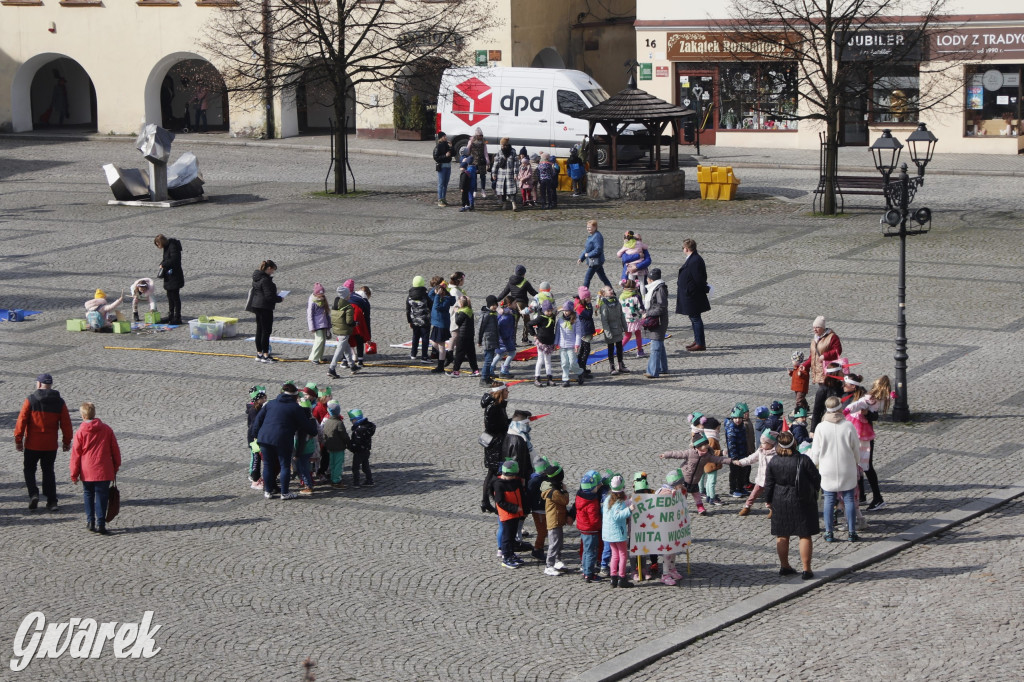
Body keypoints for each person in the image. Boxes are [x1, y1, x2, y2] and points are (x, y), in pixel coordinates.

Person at [764, 431, 820, 579]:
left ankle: (784, 566)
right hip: (802, 499)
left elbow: (768, 484)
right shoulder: (803, 459)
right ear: (794, 443)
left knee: (782, 534)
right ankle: (806, 569)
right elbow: (816, 478)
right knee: (804, 534)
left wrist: (768, 501)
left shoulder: (774, 461)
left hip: (780, 499)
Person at [14, 373, 73, 511]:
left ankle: (33, 493)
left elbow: (21, 421)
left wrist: (18, 440)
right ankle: (52, 501)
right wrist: (66, 441)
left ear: (39, 384)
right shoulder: (59, 402)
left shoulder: (31, 400)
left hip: (32, 444)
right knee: (48, 471)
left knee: (29, 469)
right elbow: (66, 424)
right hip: (50, 445)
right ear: (50, 385)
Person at [249, 383, 318, 500]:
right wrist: (313, 428)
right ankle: (285, 493)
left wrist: (256, 435)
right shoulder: (296, 408)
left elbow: (257, 421)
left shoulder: (270, 403)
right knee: (285, 465)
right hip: (283, 440)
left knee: (268, 465)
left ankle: (268, 491)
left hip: (265, 439)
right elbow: (307, 427)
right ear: (295, 396)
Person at [810, 396, 861, 542]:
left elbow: (816, 452)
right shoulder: (848, 426)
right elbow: (856, 449)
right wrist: (856, 462)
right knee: (849, 498)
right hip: (847, 466)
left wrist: (815, 465)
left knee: (829, 499)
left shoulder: (820, 427)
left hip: (827, 468)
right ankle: (852, 532)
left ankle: (829, 532)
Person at [69, 402, 121, 535]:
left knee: (88, 494)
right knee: (102, 496)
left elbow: (76, 454)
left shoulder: (81, 432)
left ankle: (90, 521)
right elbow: (115, 449)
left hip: (87, 470)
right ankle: (101, 524)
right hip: (103, 469)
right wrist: (116, 465)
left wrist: (74, 473)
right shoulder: (107, 429)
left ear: (82, 415)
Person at [846, 375, 892, 510]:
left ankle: (878, 498)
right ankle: (861, 496)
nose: (843, 385)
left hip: (863, 435)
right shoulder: (844, 393)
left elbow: (873, 415)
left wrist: (865, 413)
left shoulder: (867, 398)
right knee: (857, 464)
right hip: (854, 433)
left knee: (866, 466)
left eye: (846, 384)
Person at [659, 433, 732, 516]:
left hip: (695, 480)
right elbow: (678, 454)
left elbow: (718, 459)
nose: (706, 446)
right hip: (684, 479)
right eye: (704, 444)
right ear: (698, 446)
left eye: (706, 444)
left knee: (696, 495)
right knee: (683, 494)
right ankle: (680, 507)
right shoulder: (690, 453)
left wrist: (731, 461)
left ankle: (700, 508)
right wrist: (666, 455)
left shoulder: (707, 456)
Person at [801, 316, 843, 433]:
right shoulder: (815, 339)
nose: (814, 329)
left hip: (829, 372)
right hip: (818, 372)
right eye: (814, 327)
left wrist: (826, 356)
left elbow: (837, 351)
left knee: (829, 392)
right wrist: (805, 365)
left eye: (817, 327)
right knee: (822, 393)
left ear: (823, 327)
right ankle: (823, 413)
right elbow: (812, 356)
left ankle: (828, 412)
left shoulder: (832, 337)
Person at [480, 384, 511, 513]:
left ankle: (486, 501)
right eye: (506, 391)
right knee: (493, 472)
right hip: (495, 444)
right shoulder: (494, 407)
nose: (508, 392)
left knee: (492, 473)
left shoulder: (498, 405)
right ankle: (488, 500)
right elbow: (494, 426)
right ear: (500, 392)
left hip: (497, 441)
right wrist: (511, 422)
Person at [675, 238, 710, 352]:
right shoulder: (693, 258)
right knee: (693, 318)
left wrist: (696, 289)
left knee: (695, 318)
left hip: (693, 295)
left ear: (686, 248)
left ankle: (700, 343)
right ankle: (697, 340)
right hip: (690, 294)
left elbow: (699, 279)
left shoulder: (695, 260)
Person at [734, 429, 778, 517]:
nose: (761, 445)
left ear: (771, 443)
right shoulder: (761, 451)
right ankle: (747, 506)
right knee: (753, 494)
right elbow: (751, 458)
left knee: (770, 496)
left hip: (771, 481)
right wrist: (741, 462)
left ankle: (771, 509)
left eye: (764, 443)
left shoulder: (776, 454)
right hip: (761, 479)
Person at [602, 475, 635, 588]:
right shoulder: (619, 502)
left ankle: (613, 578)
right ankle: (622, 578)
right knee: (623, 555)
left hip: (608, 533)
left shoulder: (607, 499)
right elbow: (617, 516)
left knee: (615, 555)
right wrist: (629, 510)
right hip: (618, 533)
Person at [247, 260, 282, 364]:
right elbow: (269, 296)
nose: (273, 272)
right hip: (265, 307)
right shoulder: (266, 280)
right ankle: (266, 355)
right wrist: (279, 298)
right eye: (273, 270)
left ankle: (259, 353)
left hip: (257, 306)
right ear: (269, 268)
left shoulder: (257, 277)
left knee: (259, 330)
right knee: (266, 331)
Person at [494, 460, 526, 569]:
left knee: (512, 536)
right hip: (507, 515)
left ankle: (511, 554)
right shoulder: (498, 485)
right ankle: (506, 557)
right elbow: (500, 502)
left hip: (516, 514)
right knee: (507, 537)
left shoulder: (515, 481)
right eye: (512, 476)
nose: (513, 478)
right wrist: (514, 508)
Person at [540, 462, 570, 575]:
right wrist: (566, 491)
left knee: (559, 542)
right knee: (554, 543)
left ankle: (557, 561)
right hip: (554, 521)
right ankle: (549, 565)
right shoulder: (553, 492)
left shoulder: (554, 489)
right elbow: (565, 500)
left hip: (558, 519)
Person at [495, 265, 538, 343]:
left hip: (513, 305)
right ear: (523, 274)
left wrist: (496, 300)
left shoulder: (510, 282)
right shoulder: (525, 282)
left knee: (514, 323)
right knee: (527, 322)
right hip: (522, 304)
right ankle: (525, 338)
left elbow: (504, 292)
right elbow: (533, 292)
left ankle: (513, 341)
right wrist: (542, 296)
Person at [575, 470, 603, 582]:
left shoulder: (580, 498)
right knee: (591, 552)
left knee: (586, 551)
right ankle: (589, 574)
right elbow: (594, 520)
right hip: (591, 531)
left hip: (583, 529)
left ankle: (585, 570)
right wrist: (600, 526)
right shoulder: (591, 503)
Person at [642, 268, 669, 379]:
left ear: (651, 280)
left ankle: (653, 371)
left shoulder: (659, 289)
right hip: (657, 320)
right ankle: (663, 368)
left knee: (655, 346)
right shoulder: (656, 287)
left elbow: (661, 307)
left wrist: (647, 314)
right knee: (659, 344)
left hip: (658, 321)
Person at [327, 286, 359, 378]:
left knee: (346, 347)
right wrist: (355, 323)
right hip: (344, 330)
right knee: (339, 350)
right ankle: (331, 368)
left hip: (337, 329)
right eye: (348, 294)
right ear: (346, 296)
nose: (350, 295)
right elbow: (349, 322)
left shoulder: (336, 303)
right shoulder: (348, 307)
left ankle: (352, 366)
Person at [427, 276, 456, 373]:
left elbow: (437, 307)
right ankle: (447, 356)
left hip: (442, 324)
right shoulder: (438, 297)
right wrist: (439, 286)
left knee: (441, 346)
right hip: (437, 323)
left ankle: (440, 366)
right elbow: (429, 295)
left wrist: (438, 296)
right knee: (434, 342)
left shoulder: (446, 299)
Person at [597, 285, 628, 375]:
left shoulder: (616, 301)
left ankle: (621, 365)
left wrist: (625, 327)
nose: (612, 290)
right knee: (610, 349)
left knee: (619, 348)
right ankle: (612, 367)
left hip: (618, 329)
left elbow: (621, 315)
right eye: (609, 290)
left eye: (611, 289)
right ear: (604, 294)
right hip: (610, 331)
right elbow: (604, 321)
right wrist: (607, 332)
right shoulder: (604, 305)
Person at [154, 234, 184, 325]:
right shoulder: (167, 247)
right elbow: (166, 258)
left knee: (175, 297)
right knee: (170, 297)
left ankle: (177, 317)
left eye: (158, 244)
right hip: (169, 276)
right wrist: (162, 263)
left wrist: (164, 264)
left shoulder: (172, 246)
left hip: (175, 276)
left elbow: (175, 259)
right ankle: (171, 315)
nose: (158, 247)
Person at [554, 300, 584, 388]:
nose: (565, 312)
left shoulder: (576, 320)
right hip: (562, 345)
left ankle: (580, 372)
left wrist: (577, 344)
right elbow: (557, 333)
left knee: (572, 363)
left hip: (571, 345)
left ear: (571, 311)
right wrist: (556, 343)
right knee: (564, 363)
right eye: (564, 311)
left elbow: (578, 333)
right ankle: (565, 379)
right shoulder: (560, 320)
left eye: (567, 311)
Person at [321, 400, 349, 489]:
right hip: (338, 447)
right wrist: (348, 442)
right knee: (338, 464)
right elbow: (344, 435)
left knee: (332, 463)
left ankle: (333, 477)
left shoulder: (327, 421)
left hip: (329, 446)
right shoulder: (339, 423)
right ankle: (336, 481)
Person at [529, 300, 557, 387]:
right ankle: (537, 378)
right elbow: (529, 324)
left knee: (548, 361)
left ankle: (549, 378)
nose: (549, 312)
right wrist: (534, 335)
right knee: (540, 360)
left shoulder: (552, 317)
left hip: (549, 342)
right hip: (541, 342)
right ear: (544, 310)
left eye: (550, 310)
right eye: (547, 311)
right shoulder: (540, 317)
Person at [450, 295, 479, 378]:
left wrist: (456, 312)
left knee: (459, 353)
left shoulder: (462, 312)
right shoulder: (469, 310)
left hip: (462, 335)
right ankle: (475, 370)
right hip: (470, 335)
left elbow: (458, 322)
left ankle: (455, 371)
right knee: (471, 354)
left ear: (461, 303)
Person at [725, 405, 751, 497]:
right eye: (735, 418)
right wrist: (734, 458)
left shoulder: (742, 426)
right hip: (735, 457)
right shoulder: (731, 429)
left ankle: (740, 488)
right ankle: (733, 489)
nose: (737, 420)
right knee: (734, 473)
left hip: (742, 453)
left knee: (742, 473)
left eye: (739, 418)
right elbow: (731, 445)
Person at [578, 220, 612, 288]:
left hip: (595, 261)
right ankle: (612, 292)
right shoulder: (592, 236)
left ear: (595, 227)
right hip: (595, 261)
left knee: (587, 277)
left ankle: (584, 294)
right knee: (603, 278)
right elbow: (588, 249)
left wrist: (588, 255)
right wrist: (581, 258)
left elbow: (598, 249)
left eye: (590, 227)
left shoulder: (597, 236)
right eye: (587, 227)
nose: (588, 229)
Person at [617, 230, 651, 298]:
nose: (639, 240)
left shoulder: (643, 249)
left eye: (641, 239)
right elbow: (625, 259)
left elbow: (648, 260)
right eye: (637, 239)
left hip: (640, 273)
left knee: (642, 287)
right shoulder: (628, 248)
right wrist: (638, 256)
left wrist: (637, 267)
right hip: (627, 275)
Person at [347, 409, 377, 487]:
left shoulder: (358, 430)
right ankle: (369, 480)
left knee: (355, 467)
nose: (352, 422)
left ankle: (356, 483)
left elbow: (357, 443)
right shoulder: (367, 427)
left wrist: (350, 446)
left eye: (352, 420)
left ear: (356, 419)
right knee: (365, 466)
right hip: (366, 450)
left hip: (359, 451)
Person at [246, 386, 268, 489]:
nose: (265, 399)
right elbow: (255, 425)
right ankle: (255, 480)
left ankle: (257, 477)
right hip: (254, 438)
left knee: (258, 458)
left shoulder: (259, 408)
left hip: (258, 436)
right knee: (256, 458)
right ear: (257, 399)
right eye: (263, 398)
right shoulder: (253, 411)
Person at [406, 276, 431, 362]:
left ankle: (413, 354)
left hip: (414, 320)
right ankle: (424, 356)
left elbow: (408, 310)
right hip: (425, 321)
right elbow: (430, 306)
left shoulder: (409, 296)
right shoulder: (425, 295)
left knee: (415, 336)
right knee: (425, 338)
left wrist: (409, 321)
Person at [619, 279, 645, 359]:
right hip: (635, 319)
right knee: (638, 334)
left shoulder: (621, 296)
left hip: (625, 319)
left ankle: (619, 349)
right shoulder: (636, 297)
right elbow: (641, 309)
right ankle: (640, 351)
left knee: (627, 335)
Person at [477, 295, 500, 386]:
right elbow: (480, 328)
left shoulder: (492, 314)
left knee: (489, 360)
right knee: (488, 360)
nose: (495, 306)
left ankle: (487, 377)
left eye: (496, 304)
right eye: (493, 305)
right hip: (488, 340)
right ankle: (483, 379)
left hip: (492, 339)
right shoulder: (486, 315)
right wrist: (479, 340)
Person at [307, 283, 332, 365]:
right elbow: (310, 315)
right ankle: (314, 357)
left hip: (323, 322)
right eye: (320, 293)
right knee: (319, 340)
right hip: (317, 324)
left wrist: (329, 325)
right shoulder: (312, 302)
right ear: (316, 293)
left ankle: (319, 357)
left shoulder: (323, 299)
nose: (322, 295)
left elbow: (327, 312)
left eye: (322, 293)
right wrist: (312, 327)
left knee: (323, 340)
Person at [491, 138, 519, 210]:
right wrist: (494, 173)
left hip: (510, 174)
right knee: (502, 190)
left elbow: (516, 163)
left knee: (512, 190)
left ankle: (514, 204)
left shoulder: (513, 152)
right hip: (501, 175)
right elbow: (495, 163)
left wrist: (516, 174)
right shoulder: (499, 152)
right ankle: (504, 204)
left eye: (503, 145)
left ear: (506, 145)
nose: (502, 147)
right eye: (501, 145)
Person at [349, 286, 372, 367]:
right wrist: (368, 337)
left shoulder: (351, 294)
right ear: (368, 294)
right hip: (357, 316)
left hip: (346, 315)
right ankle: (360, 361)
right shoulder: (365, 301)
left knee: (346, 338)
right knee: (359, 337)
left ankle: (344, 361)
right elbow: (367, 319)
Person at [433, 131, 453, 207]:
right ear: (441, 138)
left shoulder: (447, 144)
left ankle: (444, 198)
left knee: (445, 184)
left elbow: (453, 153)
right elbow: (436, 157)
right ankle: (440, 199)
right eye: (444, 136)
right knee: (441, 184)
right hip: (442, 166)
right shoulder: (438, 146)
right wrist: (445, 156)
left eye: (445, 136)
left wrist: (451, 147)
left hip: (448, 166)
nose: (446, 137)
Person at [468, 128, 490, 196]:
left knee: (483, 176)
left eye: (482, 135)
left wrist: (487, 161)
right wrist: (470, 143)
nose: (481, 136)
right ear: (477, 135)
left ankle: (483, 190)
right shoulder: (472, 141)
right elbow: (468, 150)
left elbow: (485, 152)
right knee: (474, 176)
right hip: (474, 161)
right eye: (480, 135)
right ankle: (475, 190)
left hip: (481, 160)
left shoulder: (483, 142)